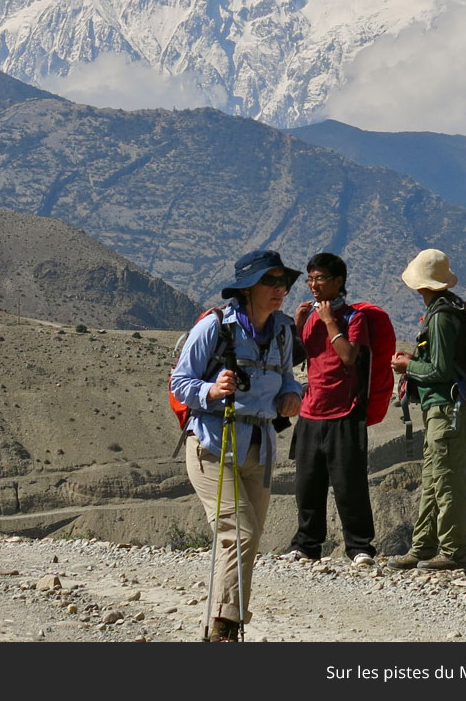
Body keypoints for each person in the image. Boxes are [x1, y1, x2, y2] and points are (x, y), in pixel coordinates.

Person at [170, 249, 304, 642]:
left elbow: (287, 377)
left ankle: (220, 625)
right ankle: (225, 628)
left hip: (259, 450)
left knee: (245, 540)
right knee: (240, 534)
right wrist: (210, 389)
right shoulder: (215, 327)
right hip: (213, 446)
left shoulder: (282, 331)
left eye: (283, 282)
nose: (281, 289)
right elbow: (181, 381)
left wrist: (292, 395)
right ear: (247, 288)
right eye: (271, 281)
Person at [386, 248, 466, 571]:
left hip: (446, 409)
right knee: (432, 477)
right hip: (441, 409)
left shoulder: (440, 318)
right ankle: (423, 546)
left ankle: (453, 549)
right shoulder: (447, 311)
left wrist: (408, 366)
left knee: (447, 478)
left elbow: (440, 370)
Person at [284, 252, 378, 566]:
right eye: (310, 278)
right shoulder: (309, 317)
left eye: (320, 278)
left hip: (345, 413)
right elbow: (296, 359)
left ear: (338, 282)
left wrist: (329, 321)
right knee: (307, 483)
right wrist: (297, 327)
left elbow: (349, 356)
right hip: (311, 412)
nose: (313, 285)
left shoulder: (354, 318)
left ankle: (359, 546)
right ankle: (306, 544)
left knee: (349, 483)